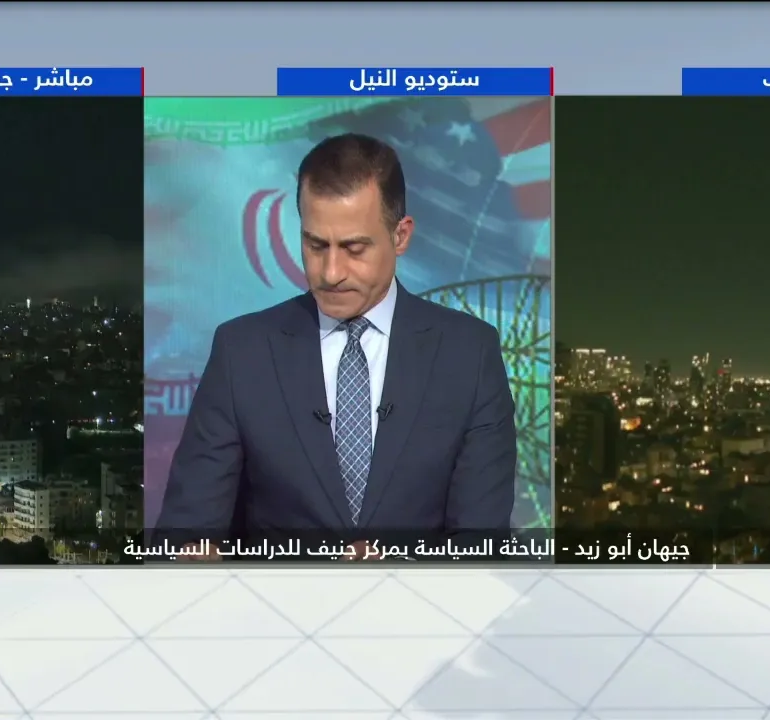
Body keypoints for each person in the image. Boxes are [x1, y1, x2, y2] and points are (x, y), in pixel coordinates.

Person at [156, 132, 516, 561]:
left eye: (353, 248)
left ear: (400, 236)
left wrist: (398, 572)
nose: (330, 272)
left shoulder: (469, 355)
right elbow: (184, 532)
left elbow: (482, 546)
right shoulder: (242, 353)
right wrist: (192, 559)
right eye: (315, 245)